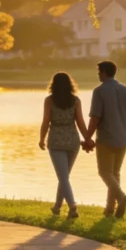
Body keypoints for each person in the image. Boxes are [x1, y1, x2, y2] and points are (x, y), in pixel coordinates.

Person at [85, 60, 126, 219]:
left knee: (104, 172)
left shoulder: (99, 91)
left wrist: (87, 137)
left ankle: (122, 198)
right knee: (114, 173)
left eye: (99, 71)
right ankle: (110, 208)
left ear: (104, 73)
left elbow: (95, 117)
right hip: (123, 138)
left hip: (106, 138)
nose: (98, 74)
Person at [38, 72, 89, 218]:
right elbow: (80, 122)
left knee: (63, 177)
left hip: (56, 141)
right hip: (73, 141)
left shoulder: (49, 101)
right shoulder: (75, 101)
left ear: (53, 85)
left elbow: (46, 121)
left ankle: (72, 206)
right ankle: (57, 207)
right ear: (69, 85)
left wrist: (41, 139)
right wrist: (87, 138)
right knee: (64, 176)